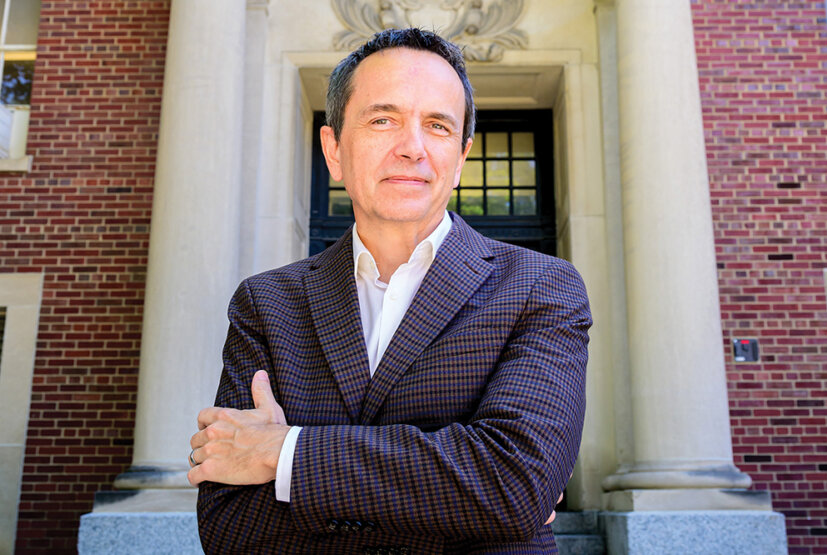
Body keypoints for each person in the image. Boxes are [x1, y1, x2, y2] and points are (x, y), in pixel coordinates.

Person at [187, 27, 591, 554]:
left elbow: (512, 485)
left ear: (461, 157)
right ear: (333, 149)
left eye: (438, 126)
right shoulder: (267, 304)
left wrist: (284, 454)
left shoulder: (542, 288)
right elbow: (230, 527)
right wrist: (456, 489)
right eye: (384, 120)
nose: (413, 148)